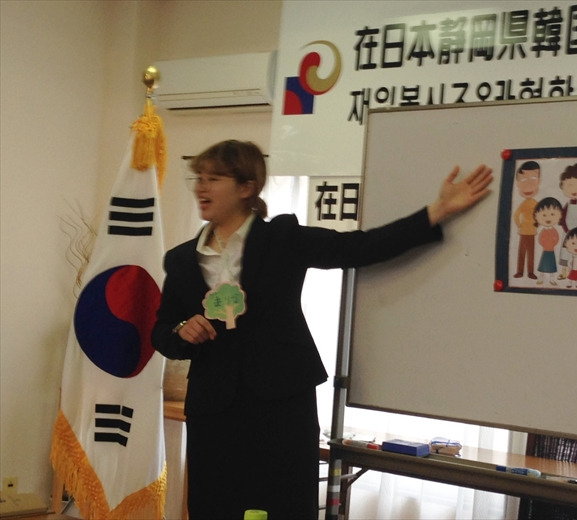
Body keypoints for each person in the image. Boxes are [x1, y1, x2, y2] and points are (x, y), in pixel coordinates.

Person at [150, 140, 492, 519]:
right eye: (198, 178)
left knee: (282, 506)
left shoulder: (282, 238)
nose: (201, 187)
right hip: (213, 408)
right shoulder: (182, 259)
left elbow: (361, 247)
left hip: (281, 402)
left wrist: (438, 210)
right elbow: (162, 330)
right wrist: (182, 330)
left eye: (213, 179)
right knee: (215, 506)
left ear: (247, 187)